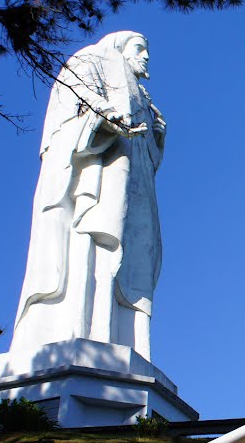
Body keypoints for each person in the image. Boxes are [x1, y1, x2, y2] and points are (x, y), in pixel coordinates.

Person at [10, 31, 165, 361]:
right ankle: (76, 331)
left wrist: (156, 138)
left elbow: (147, 158)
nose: (146, 57)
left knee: (127, 264)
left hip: (131, 190)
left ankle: (127, 344)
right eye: (139, 48)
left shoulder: (144, 96)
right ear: (118, 49)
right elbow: (70, 115)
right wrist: (104, 121)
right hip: (96, 180)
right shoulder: (90, 62)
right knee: (89, 249)